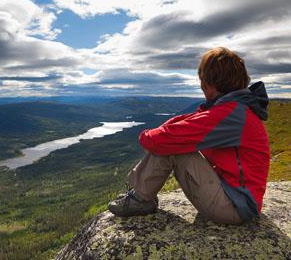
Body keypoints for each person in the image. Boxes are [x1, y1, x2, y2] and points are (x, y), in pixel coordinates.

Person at [108, 47, 270, 224]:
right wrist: (168, 130)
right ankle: (141, 195)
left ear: (209, 83)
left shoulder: (231, 114)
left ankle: (140, 199)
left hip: (234, 206)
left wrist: (147, 136)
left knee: (172, 145)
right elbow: (190, 121)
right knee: (172, 140)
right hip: (237, 198)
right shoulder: (235, 111)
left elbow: (159, 140)